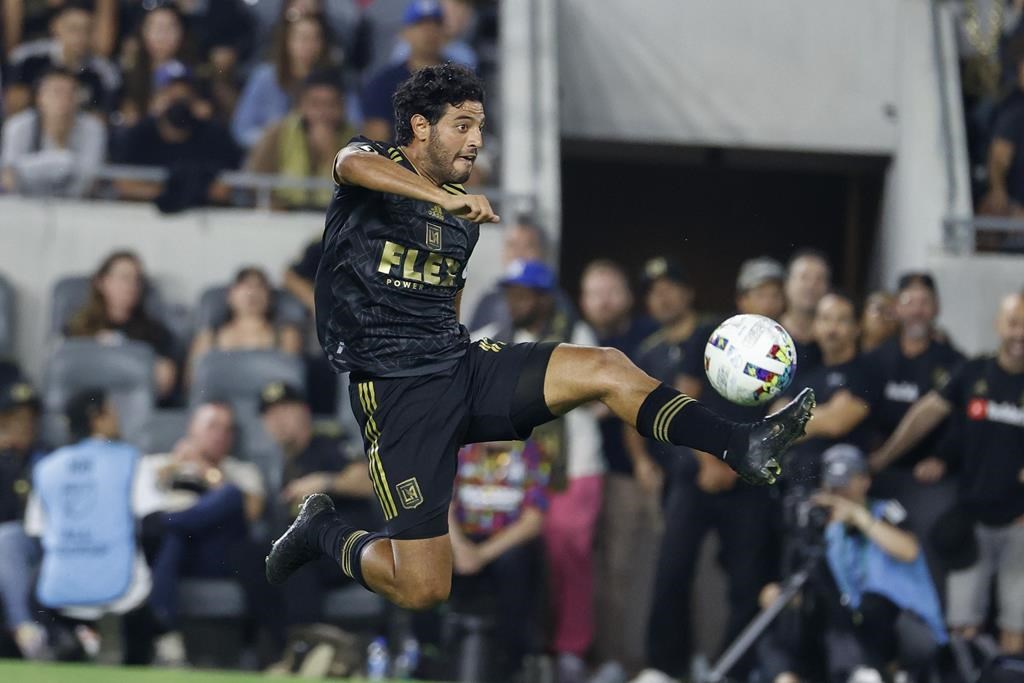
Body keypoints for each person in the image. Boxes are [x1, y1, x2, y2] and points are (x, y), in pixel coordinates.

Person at [265, 64, 814, 620]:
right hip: (398, 396)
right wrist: (439, 197)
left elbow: (442, 303)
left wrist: (448, 207)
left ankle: (739, 444)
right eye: (462, 125)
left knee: (605, 366)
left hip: (460, 368)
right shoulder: (372, 163)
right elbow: (351, 164)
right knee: (423, 587)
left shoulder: (464, 217)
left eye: (480, 126)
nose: (477, 140)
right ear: (420, 127)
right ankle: (322, 529)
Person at [632, 257, 788, 683]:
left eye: (776, 292)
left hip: (749, 477)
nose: (768, 300)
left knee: (749, 580)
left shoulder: (789, 350)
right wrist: (710, 458)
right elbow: (686, 399)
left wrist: (737, 465)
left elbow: (781, 417)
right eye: (760, 292)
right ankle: (665, 668)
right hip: (697, 471)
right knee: (671, 569)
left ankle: (732, 671)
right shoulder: (713, 332)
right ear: (742, 299)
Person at [871, 292, 1024, 655]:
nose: (1021, 334)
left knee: (1016, 629)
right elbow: (928, 413)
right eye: (1015, 323)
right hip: (971, 521)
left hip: (1020, 524)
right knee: (961, 628)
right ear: (999, 325)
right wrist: (883, 458)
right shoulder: (973, 372)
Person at [476, 259, 606, 682]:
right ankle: (525, 648)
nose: (513, 301)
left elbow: (599, 398)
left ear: (544, 297)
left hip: (573, 468)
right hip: (511, 474)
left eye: (523, 294)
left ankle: (569, 649)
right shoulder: (496, 339)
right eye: (509, 292)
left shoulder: (576, 336)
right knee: (522, 558)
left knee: (568, 555)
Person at [758, 445, 947, 683]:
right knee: (783, 629)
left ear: (865, 481)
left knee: (870, 606)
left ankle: (868, 673)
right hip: (854, 630)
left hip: (907, 626)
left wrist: (857, 515)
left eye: (847, 484)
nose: (841, 493)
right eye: (834, 487)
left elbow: (908, 550)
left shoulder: (886, 511)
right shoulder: (828, 531)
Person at [24, 389, 154, 662]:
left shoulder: (47, 467)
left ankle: (70, 636)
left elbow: (36, 530)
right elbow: (152, 517)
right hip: (125, 589)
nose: (118, 419)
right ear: (97, 418)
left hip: (59, 588)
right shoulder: (131, 460)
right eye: (112, 412)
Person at [137, 401, 272, 661]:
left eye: (227, 429)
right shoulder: (159, 463)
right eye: (213, 426)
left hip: (214, 554)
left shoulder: (241, 471)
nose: (221, 434)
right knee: (175, 537)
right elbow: (139, 504)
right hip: (167, 552)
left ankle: (166, 634)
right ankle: (167, 636)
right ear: (192, 429)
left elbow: (251, 512)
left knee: (231, 495)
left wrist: (207, 471)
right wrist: (175, 467)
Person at [580, 258, 660, 679]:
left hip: (637, 473)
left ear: (629, 297)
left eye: (612, 291)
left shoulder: (647, 336)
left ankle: (639, 661)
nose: (604, 301)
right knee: (596, 570)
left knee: (636, 569)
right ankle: (605, 658)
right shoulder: (576, 339)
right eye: (595, 293)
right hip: (587, 475)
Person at [864, 273, 965, 583]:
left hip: (927, 480)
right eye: (910, 301)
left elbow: (962, 421)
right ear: (897, 308)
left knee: (925, 558)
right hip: (876, 473)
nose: (918, 310)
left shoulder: (953, 362)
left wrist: (943, 458)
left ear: (936, 309)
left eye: (925, 302)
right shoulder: (876, 358)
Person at [259, 381, 377, 628]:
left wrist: (325, 481)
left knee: (295, 563)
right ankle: (278, 648)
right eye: (270, 415)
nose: (278, 420)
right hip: (311, 546)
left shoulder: (326, 441)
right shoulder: (275, 462)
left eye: (285, 410)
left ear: (304, 411)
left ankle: (310, 645)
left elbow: (369, 480)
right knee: (249, 555)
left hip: (344, 545)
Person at [448, 439, 548, 681]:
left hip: (507, 543)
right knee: (428, 553)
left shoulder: (531, 454)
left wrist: (481, 555)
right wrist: (461, 548)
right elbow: (442, 508)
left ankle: (510, 662)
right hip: (462, 539)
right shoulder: (459, 452)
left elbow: (533, 521)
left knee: (515, 562)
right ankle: (432, 653)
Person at [773, 291, 873, 486]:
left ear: (857, 328)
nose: (832, 328)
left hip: (840, 483)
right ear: (815, 326)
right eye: (825, 319)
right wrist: (822, 415)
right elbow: (775, 423)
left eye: (842, 320)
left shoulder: (865, 372)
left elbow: (836, 422)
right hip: (793, 480)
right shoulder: (805, 369)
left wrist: (794, 417)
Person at [112, 63, 241, 210]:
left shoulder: (213, 134)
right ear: (155, 99)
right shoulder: (140, 134)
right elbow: (122, 184)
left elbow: (225, 188)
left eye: (184, 99)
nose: (178, 106)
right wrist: (171, 194)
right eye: (171, 98)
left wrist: (179, 195)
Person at [64, 251, 178, 401]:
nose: (131, 286)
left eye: (136, 280)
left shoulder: (154, 331)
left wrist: (124, 352)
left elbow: (165, 381)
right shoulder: (78, 327)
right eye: (124, 278)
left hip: (133, 405)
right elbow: (64, 373)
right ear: (101, 282)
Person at [246, 69, 356, 210]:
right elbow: (253, 181)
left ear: (342, 108)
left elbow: (353, 197)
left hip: (333, 218)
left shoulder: (356, 141)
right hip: (285, 215)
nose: (323, 113)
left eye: (331, 104)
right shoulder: (278, 132)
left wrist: (331, 155)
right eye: (315, 104)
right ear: (302, 105)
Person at [231, 11, 335, 149]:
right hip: (270, 157)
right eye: (302, 38)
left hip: (319, 156)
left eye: (314, 39)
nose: (308, 46)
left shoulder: (333, 79)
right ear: (287, 41)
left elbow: (354, 126)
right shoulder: (264, 77)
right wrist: (278, 142)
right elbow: (241, 129)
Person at [0, 66, 106, 197]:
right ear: (40, 97)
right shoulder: (18, 126)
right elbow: (8, 178)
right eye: (57, 92)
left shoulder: (93, 128)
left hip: (77, 208)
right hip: (25, 206)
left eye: (71, 93)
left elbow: (89, 182)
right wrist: (66, 162)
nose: (64, 100)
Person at [187, 266, 302, 382]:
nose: (252, 292)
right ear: (230, 295)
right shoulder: (208, 337)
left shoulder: (286, 335)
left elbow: (291, 380)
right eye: (245, 285)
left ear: (269, 298)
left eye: (259, 286)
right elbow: (194, 384)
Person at [3, 1, 120, 115]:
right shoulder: (27, 57)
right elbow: (12, 104)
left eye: (87, 30)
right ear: (56, 27)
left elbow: (103, 118)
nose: (80, 37)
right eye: (73, 29)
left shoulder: (104, 72)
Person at [0, 379, 47, 659]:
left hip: (38, 543)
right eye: (15, 418)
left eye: (30, 418)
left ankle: (25, 629)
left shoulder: (48, 457)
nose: (24, 425)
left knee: (7, 538)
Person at [360, 0, 447, 142]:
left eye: (436, 24)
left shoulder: (459, 80)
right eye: (420, 24)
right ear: (405, 32)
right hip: (397, 161)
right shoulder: (384, 83)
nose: (429, 32)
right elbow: (376, 137)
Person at [467, 218, 554, 332]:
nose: (519, 253)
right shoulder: (489, 301)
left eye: (528, 246)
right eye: (512, 246)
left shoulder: (558, 303)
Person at [118, 4, 195, 126]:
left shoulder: (190, 73)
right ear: (142, 31)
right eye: (156, 28)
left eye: (170, 28)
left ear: (181, 32)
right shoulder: (128, 71)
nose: (163, 35)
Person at [780, 249, 830, 377]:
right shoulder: (767, 336)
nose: (811, 285)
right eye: (804, 277)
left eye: (819, 279)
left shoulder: (835, 340)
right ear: (787, 284)